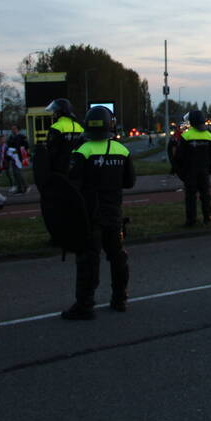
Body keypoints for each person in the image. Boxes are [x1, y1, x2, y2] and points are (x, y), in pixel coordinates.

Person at [61, 105, 136, 320]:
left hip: (90, 216)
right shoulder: (122, 150)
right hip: (113, 214)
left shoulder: (82, 151)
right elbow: (129, 182)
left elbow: (72, 186)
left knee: (88, 261)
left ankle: (85, 306)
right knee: (118, 257)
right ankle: (120, 299)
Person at [36, 98, 84, 245]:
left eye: (54, 112)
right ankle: (78, 233)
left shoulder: (56, 128)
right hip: (75, 173)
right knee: (76, 205)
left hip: (59, 173)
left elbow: (51, 152)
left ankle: (58, 237)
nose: (53, 114)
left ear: (59, 112)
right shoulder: (80, 128)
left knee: (58, 208)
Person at [174, 109, 211, 226]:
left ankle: (191, 220)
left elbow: (179, 155)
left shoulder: (186, 136)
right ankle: (208, 217)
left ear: (191, 121)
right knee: (205, 195)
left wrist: (180, 169)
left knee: (190, 196)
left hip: (190, 171)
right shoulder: (209, 136)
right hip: (204, 170)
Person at [4, 127, 28, 194]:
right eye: (12, 129)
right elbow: (9, 146)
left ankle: (24, 187)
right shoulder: (11, 137)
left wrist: (23, 156)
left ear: (18, 129)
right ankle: (21, 188)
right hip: (13, 157)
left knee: (18, 173)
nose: (12, 130)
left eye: (14, 129)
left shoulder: (21, 137)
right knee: (15, 173)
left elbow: (25, 147)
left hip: (19, 157)